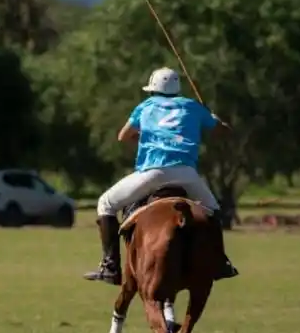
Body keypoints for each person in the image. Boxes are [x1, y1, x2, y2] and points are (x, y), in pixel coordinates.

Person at [83, 67, 238, 285]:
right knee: (213, 212)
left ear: (153, 90)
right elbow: (224, 132)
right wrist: (213, 118)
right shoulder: (193, 106)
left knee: (105, 204)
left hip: (152, 172)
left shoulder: (145, 107)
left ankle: (110, 267)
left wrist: (149, 136)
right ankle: (220, 263)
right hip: (186, 173)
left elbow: (123, 136)